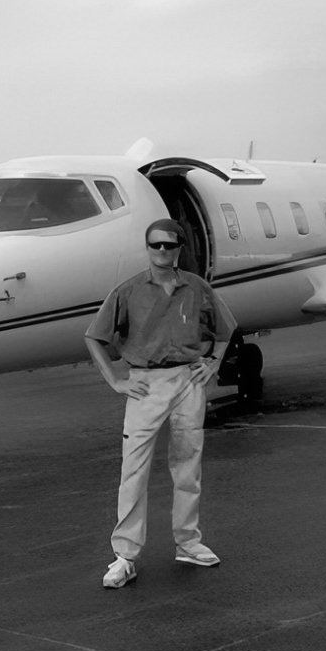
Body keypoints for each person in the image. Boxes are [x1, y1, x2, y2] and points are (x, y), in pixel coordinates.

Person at [85, 218, 237, 589]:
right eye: (156, 245)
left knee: (188, 466)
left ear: (180, 248)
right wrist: (117, 381)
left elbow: (226, 327)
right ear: (147, 247)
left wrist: (213, 364)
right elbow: (95, 336)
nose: (162, 252)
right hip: (146, 384)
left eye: (169, 245)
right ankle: (125, 556)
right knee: (133, 470)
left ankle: (189, 542)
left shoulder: (197, 288)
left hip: (188, 381)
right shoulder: (129, 291)